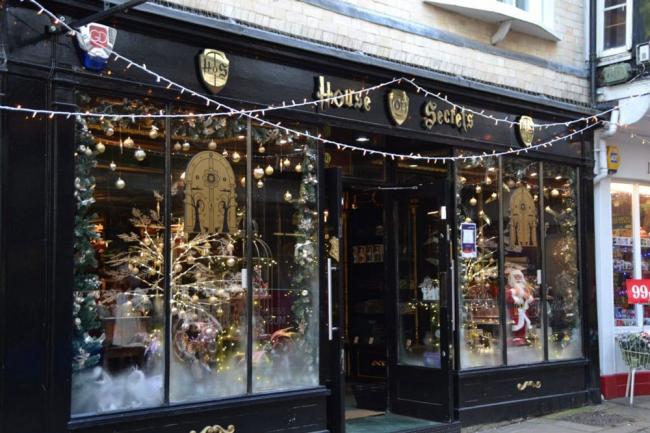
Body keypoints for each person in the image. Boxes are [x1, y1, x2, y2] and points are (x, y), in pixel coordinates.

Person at [505, 268, 533, 345]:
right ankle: (515, 338)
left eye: (519, 276)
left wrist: (527, 297)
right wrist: (514, 292)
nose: (518, 279)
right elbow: (508, 298)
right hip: (514, 309)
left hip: (523, 308)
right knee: (515, 322)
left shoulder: (525, 288)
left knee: (523, 322)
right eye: (516, 277)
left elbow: (530, 300)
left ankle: (521, 337)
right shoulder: (509, 288)